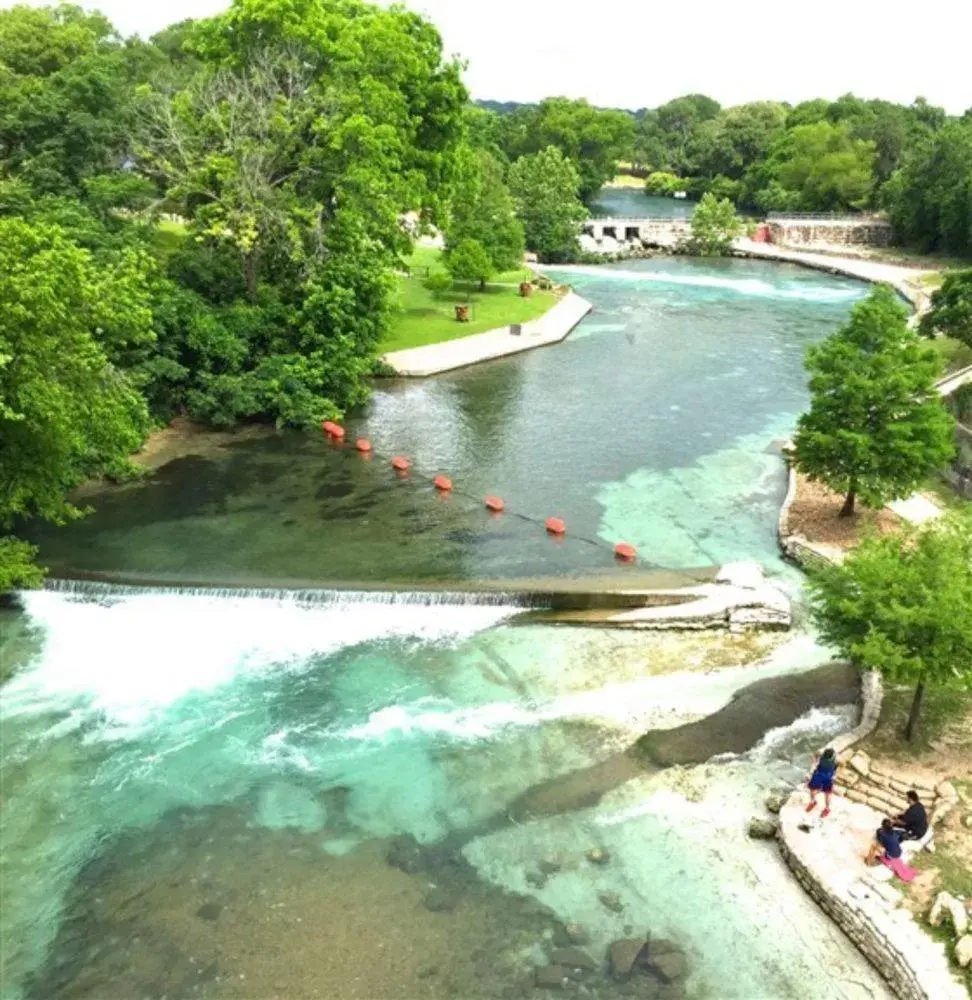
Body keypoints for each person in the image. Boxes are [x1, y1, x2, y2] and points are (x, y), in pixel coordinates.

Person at [805, 747, 838, 818]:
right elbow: (814, 762)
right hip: (820, 775)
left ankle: (826, 808)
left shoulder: (833, 760)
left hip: (826, 776)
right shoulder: (831, 759)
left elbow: (835, 771)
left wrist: (810, 772)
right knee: (814, 790)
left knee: (826, 793)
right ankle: (814, 802)